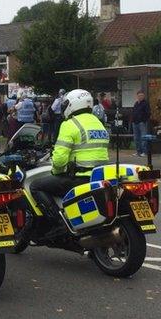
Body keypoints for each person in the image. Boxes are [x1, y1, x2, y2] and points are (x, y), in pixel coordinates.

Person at [29, 89, 109, 226]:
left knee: (35, 186)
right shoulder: (98, 123)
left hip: (79, 178)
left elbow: (59, 159)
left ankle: (57, 221)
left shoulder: (70, 124)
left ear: (73, 105)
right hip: (99, 176)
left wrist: (56, 171)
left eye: (66, 104)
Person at [132, 90, 150, 157]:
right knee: (136, 138)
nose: (140, 97)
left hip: (142, 122)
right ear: (137, 96)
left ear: (144, 96)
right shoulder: (136, 103)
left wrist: (144, 120)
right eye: (139, 95)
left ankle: (144, 152)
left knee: (143, 137)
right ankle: (138, 151)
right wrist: (133, 120)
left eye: (142, 95)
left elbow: (148, 113)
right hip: (135, 122)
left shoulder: (145, 103)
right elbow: (134, 111)